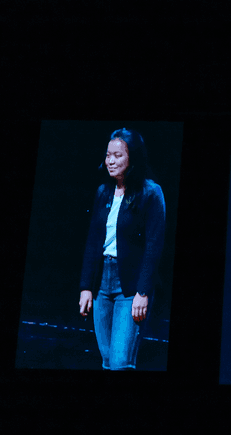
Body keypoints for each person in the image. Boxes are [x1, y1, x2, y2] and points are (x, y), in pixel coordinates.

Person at [78, 128, 166, 370]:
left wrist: (143, 291)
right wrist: (86, 287)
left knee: (120, 362)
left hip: (130, 285)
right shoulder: (103, 191)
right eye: (108, 155)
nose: (110, 161)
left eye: (117, 155)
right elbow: (93, 241)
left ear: (133, 158)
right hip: (100, 284)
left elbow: (154, 246)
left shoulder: (150, 193)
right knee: (107, 361)